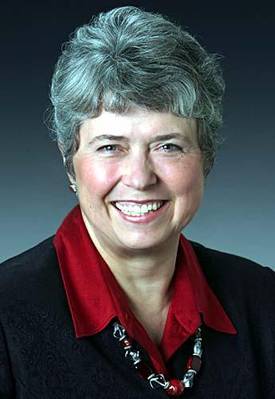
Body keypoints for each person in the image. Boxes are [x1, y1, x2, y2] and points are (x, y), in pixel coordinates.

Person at [0, 6, 274, 399]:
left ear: (206, 158)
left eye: (168, 146)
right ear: (70, 164)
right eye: (110, 147)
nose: (140, 177)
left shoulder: (263, 301)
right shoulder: (6, 318)